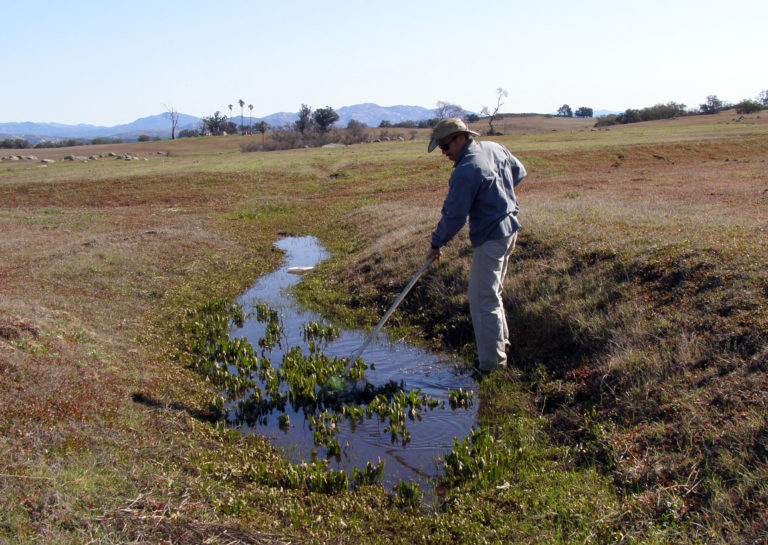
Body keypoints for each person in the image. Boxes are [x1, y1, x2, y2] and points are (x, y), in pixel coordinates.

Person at [425, 118, 526, 375]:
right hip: (510, 230)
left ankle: (491, 367)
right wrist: (498, 196)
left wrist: (436, 242)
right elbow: (519, 172)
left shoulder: (466, 169)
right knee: (492, 295)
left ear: (461, 137)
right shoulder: (494, 147)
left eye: (445, 146)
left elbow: (454, 216)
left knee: (482, 300)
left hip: (492, 238)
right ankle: (501, 347)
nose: (444, 153)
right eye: (440, 149)